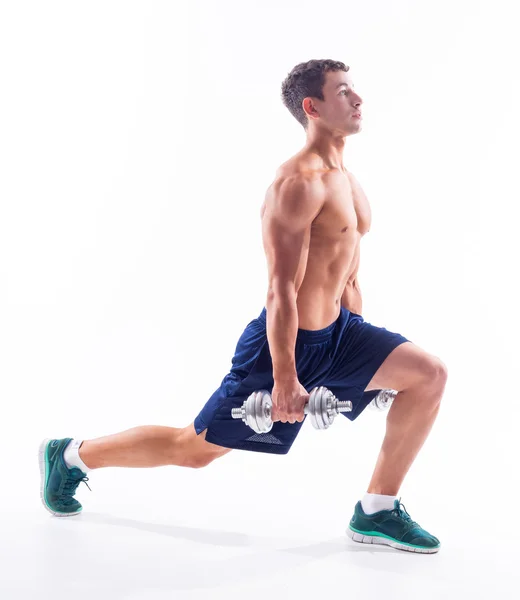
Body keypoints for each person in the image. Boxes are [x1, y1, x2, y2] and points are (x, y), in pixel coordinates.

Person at [39, 59, 447, 554]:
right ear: (312, 107)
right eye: (343, 92)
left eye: (355, 89)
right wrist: (283, 377)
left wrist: (366, 354)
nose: (357, 99)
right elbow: (281, 289)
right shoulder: (297, 183)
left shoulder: (350, 181)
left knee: (427, 374)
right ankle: (73, 457)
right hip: (286, 343)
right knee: (192, 450)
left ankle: (377, 511)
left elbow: (349, 274)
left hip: (342, 333)